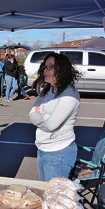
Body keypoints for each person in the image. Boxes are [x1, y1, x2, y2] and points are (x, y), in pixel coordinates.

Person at [29, 53, 81, 182]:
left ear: (61, 69)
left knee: (54, 196)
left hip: (58, 152)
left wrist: (41, 118)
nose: (45, 71)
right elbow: (31, 114)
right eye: (45, 67)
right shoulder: (46, 91)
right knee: (45, 190)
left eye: (50, 67)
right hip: (42, 147)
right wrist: (44, 119)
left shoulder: (70, 94)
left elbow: (50, 125)